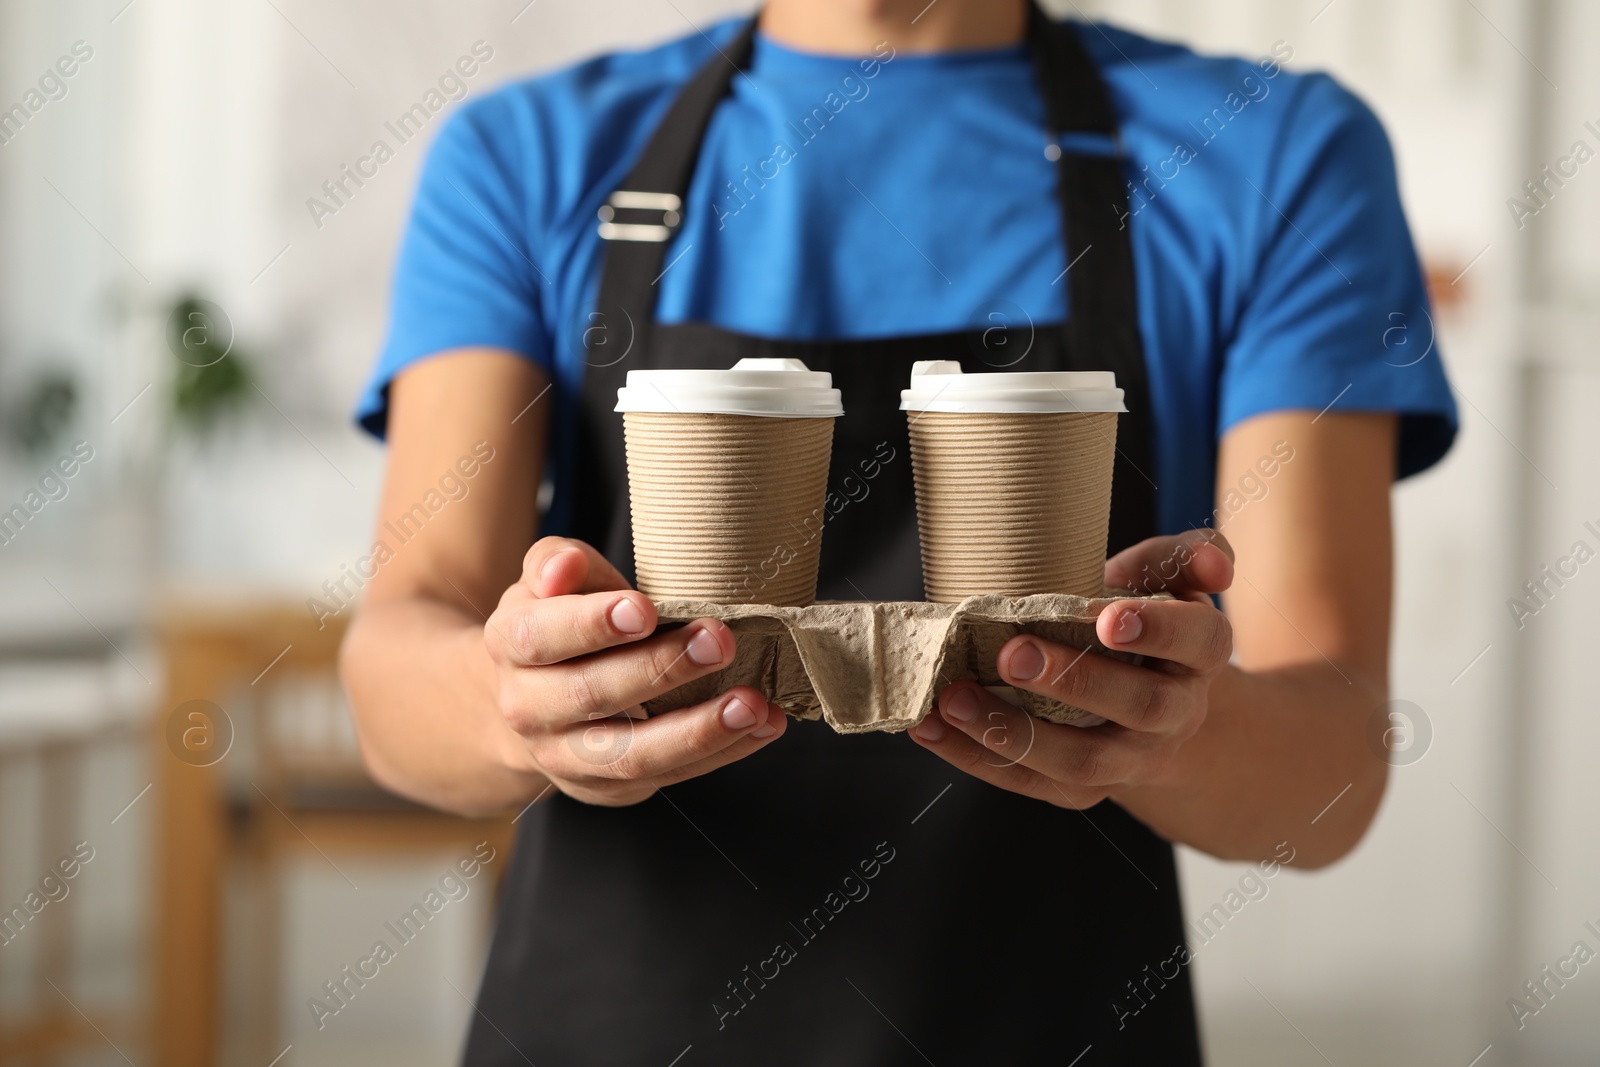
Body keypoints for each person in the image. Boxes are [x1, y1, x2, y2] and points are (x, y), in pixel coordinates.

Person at [340, 0, 1457, 1062]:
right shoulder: (526, 154)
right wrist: (520, 704)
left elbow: (1335, 765)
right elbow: (396, 665)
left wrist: (1179, 725)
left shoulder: (1277, 153)